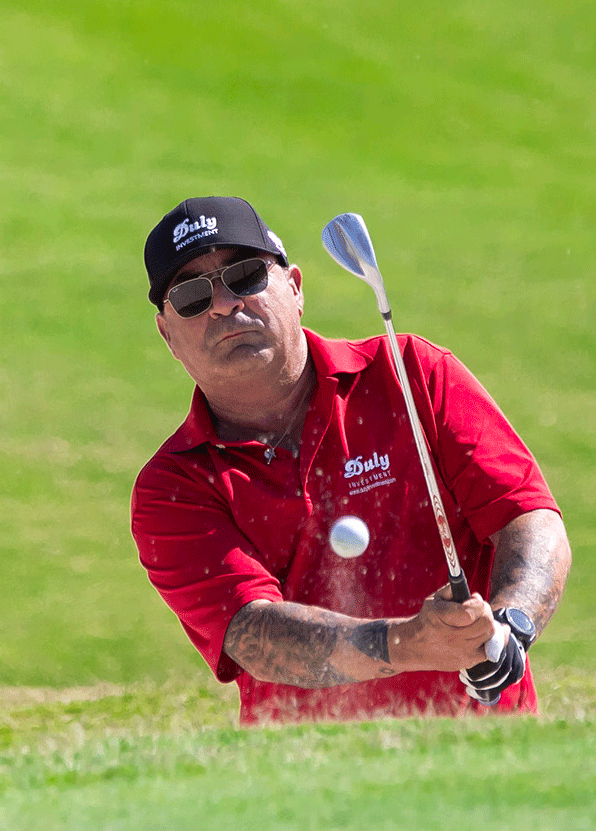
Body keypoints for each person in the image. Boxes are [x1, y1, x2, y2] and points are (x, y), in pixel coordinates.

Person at [132, 195, 571, 726]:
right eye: (193, 296)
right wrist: (409, 643)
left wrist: (511, 626)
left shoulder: (412, 372)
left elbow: (527, 516)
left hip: (487, 747)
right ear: (167, 335)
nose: (225, 304)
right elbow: (255, 633)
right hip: (312, 784)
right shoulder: (173, 486)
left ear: (294, 288)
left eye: (245, 275)